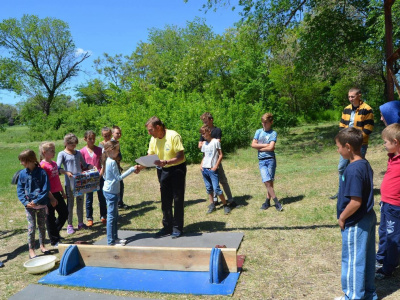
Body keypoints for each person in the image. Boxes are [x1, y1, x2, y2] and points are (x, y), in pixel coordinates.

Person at [334, 127, 377, 300]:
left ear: (348, 147)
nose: (337, 150)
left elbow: (356, 201)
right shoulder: (364, 163)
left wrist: (342, 217)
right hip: (368, 218)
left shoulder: (353, 170)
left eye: (338, 147)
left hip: (356, 221)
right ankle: (367, 294)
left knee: (353, 261)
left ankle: (353, 296)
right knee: (366, 259)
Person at [138, 116, 187, 238]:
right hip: (162, 170)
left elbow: (180, 156)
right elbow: (150, 157)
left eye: (150, 130)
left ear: (158, 127)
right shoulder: (153, 139)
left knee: (177, 198)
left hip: (177, 169)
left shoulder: (173, 136)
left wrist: (166, 162)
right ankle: (167, 227)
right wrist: (140, 167)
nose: (149, 133)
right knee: (165, 199)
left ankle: (177, 228)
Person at [330, 88, 374, 199]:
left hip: (360, 144)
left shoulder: (367, 109)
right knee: (342, 167)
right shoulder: (346, 109)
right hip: (346, 144)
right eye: (349, 97)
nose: (350, 99)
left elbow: (368, 129)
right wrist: (343, 140)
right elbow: (341, 126)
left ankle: (357, 192)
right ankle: (342, 191)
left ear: (359, 95)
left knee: (356, 167)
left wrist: (356, 140)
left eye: (353, 96)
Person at [375, 123, 400, 279]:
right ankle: (381, 259)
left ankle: (388, 268)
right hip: (386, 203)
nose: (384, 144)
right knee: (383, 232)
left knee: (393, 237)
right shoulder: (392, 157)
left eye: (386, 142)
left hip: (395, 206)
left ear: (395, 142)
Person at [102, 140, 137, 246]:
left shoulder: (107, 159)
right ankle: (111, 241)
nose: (118, 152)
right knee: (111, 218)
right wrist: (131, 169)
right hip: (111, 192)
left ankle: (115, 238)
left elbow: (105, 176)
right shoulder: (112, 162)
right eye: (117, 150)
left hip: (110, 191)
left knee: (114, 217)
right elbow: (118, 178)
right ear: (111, 150)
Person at [17, 149, 50, 259]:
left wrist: (36, 201)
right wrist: (26, 203)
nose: (21, 163)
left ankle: (42, 245)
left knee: (42, 226)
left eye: (23, 161)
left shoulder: (42, 173)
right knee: (31, 227)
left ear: (30, 160)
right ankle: (31, 249)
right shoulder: (22, 174)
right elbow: (20, 190)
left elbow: (45, 189)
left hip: (41, 204)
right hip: (29, 206)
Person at [57, 133, 93, 234]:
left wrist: (91, 167)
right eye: (72, 145)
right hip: (69, 184)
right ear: (66, 143)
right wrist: (66, 172)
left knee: (80, 203)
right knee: (70, 204)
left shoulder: (78, 153)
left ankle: (81, 223)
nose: (74, 147)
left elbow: (85, 164)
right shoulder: (62, 154)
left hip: (80, 182)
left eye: (75, 145)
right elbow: (58, 168)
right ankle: (69, 225)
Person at [198, 112, 233, 205]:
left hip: (215, 159)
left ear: (211, 120)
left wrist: (207, 142)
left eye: (206, 121)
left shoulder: (217, 130)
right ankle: (215, 200)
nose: (204, 123)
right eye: (203, 121)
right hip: (206, 160)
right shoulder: (203, 131)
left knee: (222, 180)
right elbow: (200, 145)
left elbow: (217, 143)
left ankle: (230, 199)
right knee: (211, 182)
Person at [251, 112, 283, 211]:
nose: (264, 124)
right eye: (262, 122)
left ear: (271, 122)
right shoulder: (258, 132)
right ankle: (277, 202)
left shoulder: (273, 133)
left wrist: (260, 147)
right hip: (262, 160)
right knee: (266, 181)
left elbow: (272, 147)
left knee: (270, 181)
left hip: (271, 160)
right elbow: (253, 145)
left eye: (266, 122)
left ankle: (267, 202)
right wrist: (266, 146)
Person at [39, 142, 68, 247]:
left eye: (54, 149)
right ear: (44, 152)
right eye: (51, 150)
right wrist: (50, 197)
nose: (54, 152)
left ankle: (53, 232)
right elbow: (43, 184)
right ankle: (54, 240)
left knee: (64, 213)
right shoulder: (42, 166)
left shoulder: (54, 163)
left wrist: (62, 192)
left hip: (57, 193)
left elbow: (57, 180)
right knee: (50, 216)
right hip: (48, 194)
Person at [80, 130, 107, 227]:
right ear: (85, 139)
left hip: (99, 176)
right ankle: (89, 218)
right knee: (89, 198)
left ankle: (103, 215)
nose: (92, 141)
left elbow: (103, 162)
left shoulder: (99, 150)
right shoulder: (82, 151)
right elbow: (81, 166)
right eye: (90, 139)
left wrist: (101, 173)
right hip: (88, 178)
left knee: (102, 197)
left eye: (93, 139)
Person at [111, 125, 128, 209]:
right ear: (112, 133)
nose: (119, 135)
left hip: (117, 167)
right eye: (117, 133)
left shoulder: (116, 142)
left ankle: (119, 202)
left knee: (120, 185)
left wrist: (119, 165)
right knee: (118, 185)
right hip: (113, 169)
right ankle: (118, 203)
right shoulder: (111, 143)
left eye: (120, 133)